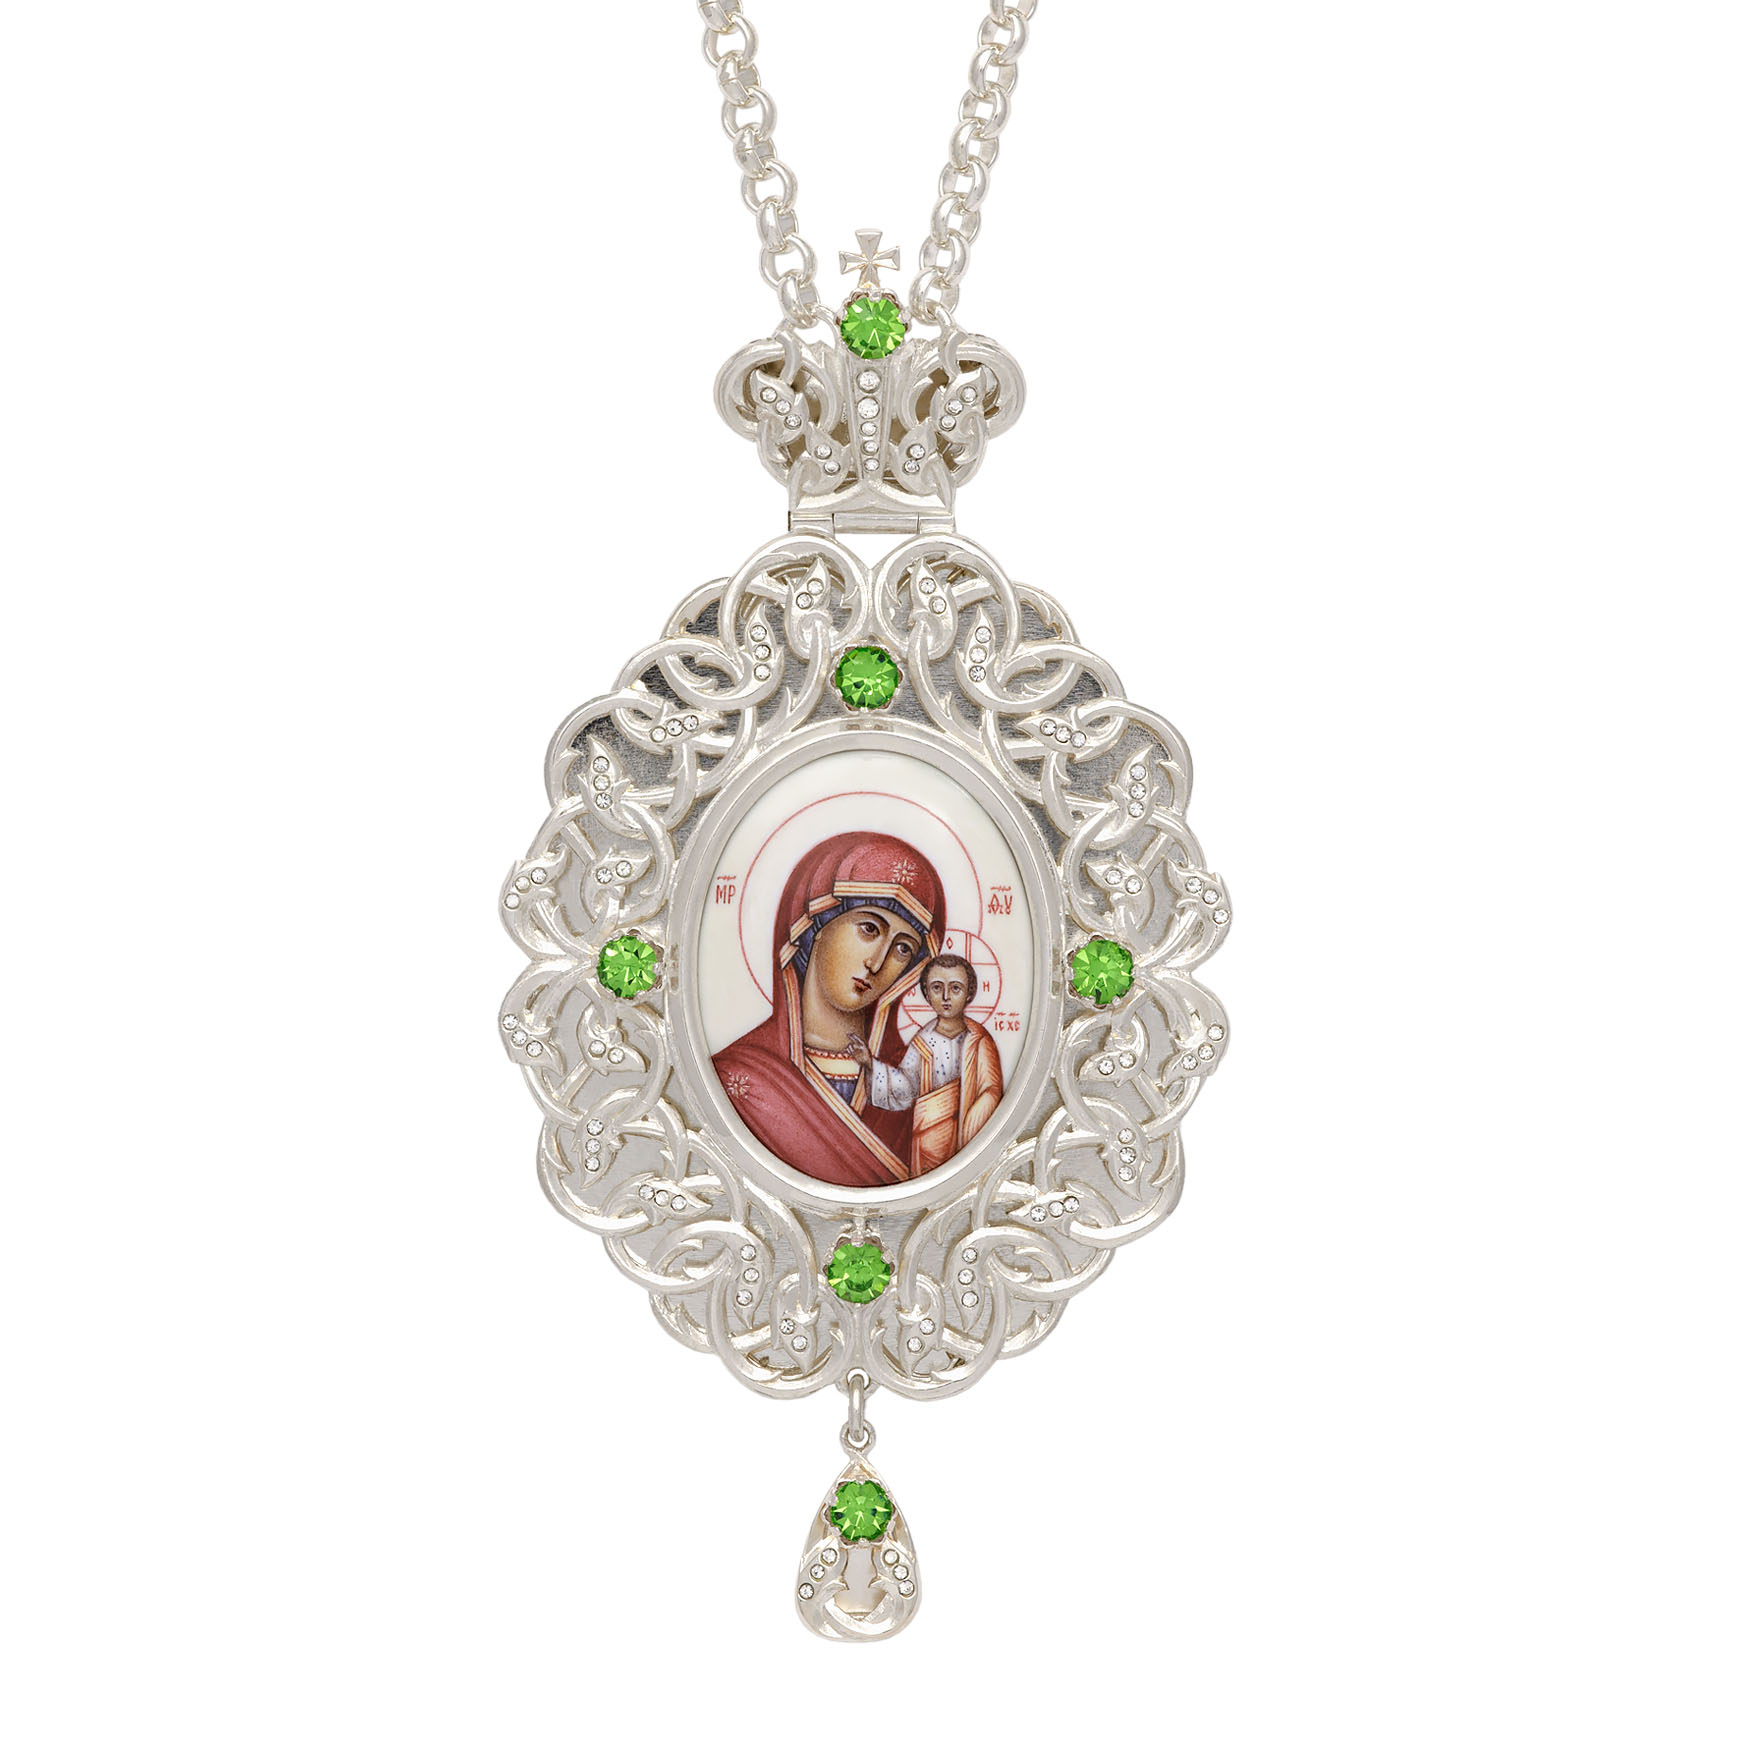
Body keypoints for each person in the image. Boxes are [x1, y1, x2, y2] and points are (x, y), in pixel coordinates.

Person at [711, 832, 944, 1188]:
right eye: (869, 928)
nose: (877, 963)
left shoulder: (913, 1082)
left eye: (902, 949)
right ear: (816, 924)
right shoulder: (738, 1077)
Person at [852, 952, 1003, 1175]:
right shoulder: (922, 1041)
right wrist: (870, 1064)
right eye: (937, 988)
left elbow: (991, 1091)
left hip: (966, 1134)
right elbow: (906, 1088)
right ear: (927, 994)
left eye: (955, 988)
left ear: (969, 993)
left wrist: (971, 1133)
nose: (946, 997)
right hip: (927, 1141)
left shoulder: (978, 1041)